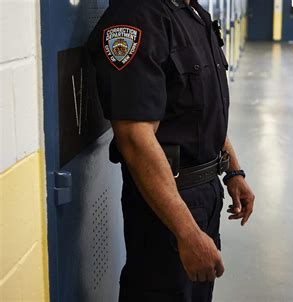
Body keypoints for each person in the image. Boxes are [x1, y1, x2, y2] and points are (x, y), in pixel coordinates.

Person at [87, 0, 255, 301]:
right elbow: (134, 137)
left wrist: (233, 171)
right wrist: (186, 232)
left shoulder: (193, 14)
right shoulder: (136, 17)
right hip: (167, 203)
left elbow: (200, 113)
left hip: (205, 194)